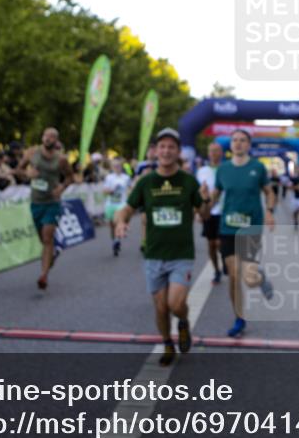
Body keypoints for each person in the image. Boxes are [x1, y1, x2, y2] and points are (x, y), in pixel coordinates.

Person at [115, 128, 209, 366]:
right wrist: (120, 222)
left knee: (175, 304)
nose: (166, 151)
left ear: (178, 152)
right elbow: (127, 208)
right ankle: (168, 342)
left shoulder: (188, 181)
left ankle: (184, 322)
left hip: (181, 254)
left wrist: (206, 200)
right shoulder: (146, 182)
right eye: (162, 146)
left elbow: (204, 214)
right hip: (154, 254)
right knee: (160, 308)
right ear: (156, 151)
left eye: (171, 147)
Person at [211, 129, 276, 338]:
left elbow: (269, 192)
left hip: (251, 228)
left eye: (242, 141)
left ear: (248, 145)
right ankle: (239, 317)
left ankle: (259, 277)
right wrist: (203, 204)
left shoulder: (257, 168)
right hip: (227, 228)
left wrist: (269, 211)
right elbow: (215, 195)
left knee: (248, 278)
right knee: (234, 275)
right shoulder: (222, 169)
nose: (238, 144)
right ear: (230, 145)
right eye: (235, 140)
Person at [16, 127, 73, 290]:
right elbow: (18, 170)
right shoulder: (32, 152)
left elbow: (70, 177)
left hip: (52, 203)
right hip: (36, 203)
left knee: (48, 237)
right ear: (42, 138)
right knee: (44, 240)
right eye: (45, 136)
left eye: (51, 137)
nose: (48, 139)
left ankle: (43, 276)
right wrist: (27, 174)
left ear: (56, 140)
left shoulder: (61, 159)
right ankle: (51, 255)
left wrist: (61, 188)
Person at [196, 141, 225, 284]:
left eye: (217, 151)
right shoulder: (202, 171)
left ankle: (226, 261)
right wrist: (198, 212)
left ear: (221, 153)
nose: (214, 154)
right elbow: (198, 193)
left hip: (225, 211)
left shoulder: (228, 169)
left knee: (220, 243)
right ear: (208, 154)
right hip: (209, 212)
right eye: (211, 151)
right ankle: (216, 270)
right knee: (211, 244)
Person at [102, 158, 132, 256]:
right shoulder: (109, 177)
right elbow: (104, 191)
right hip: (110, 204)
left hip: (121, 204)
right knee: (111, 225)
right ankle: (114, 240)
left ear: (121, 166)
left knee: (118, 222)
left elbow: (130, 189)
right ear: (111, 167)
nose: (116, 168)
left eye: (118, 166)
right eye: (114, 166)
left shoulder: (126, 177)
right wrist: (111, 191)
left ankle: (117, 240)